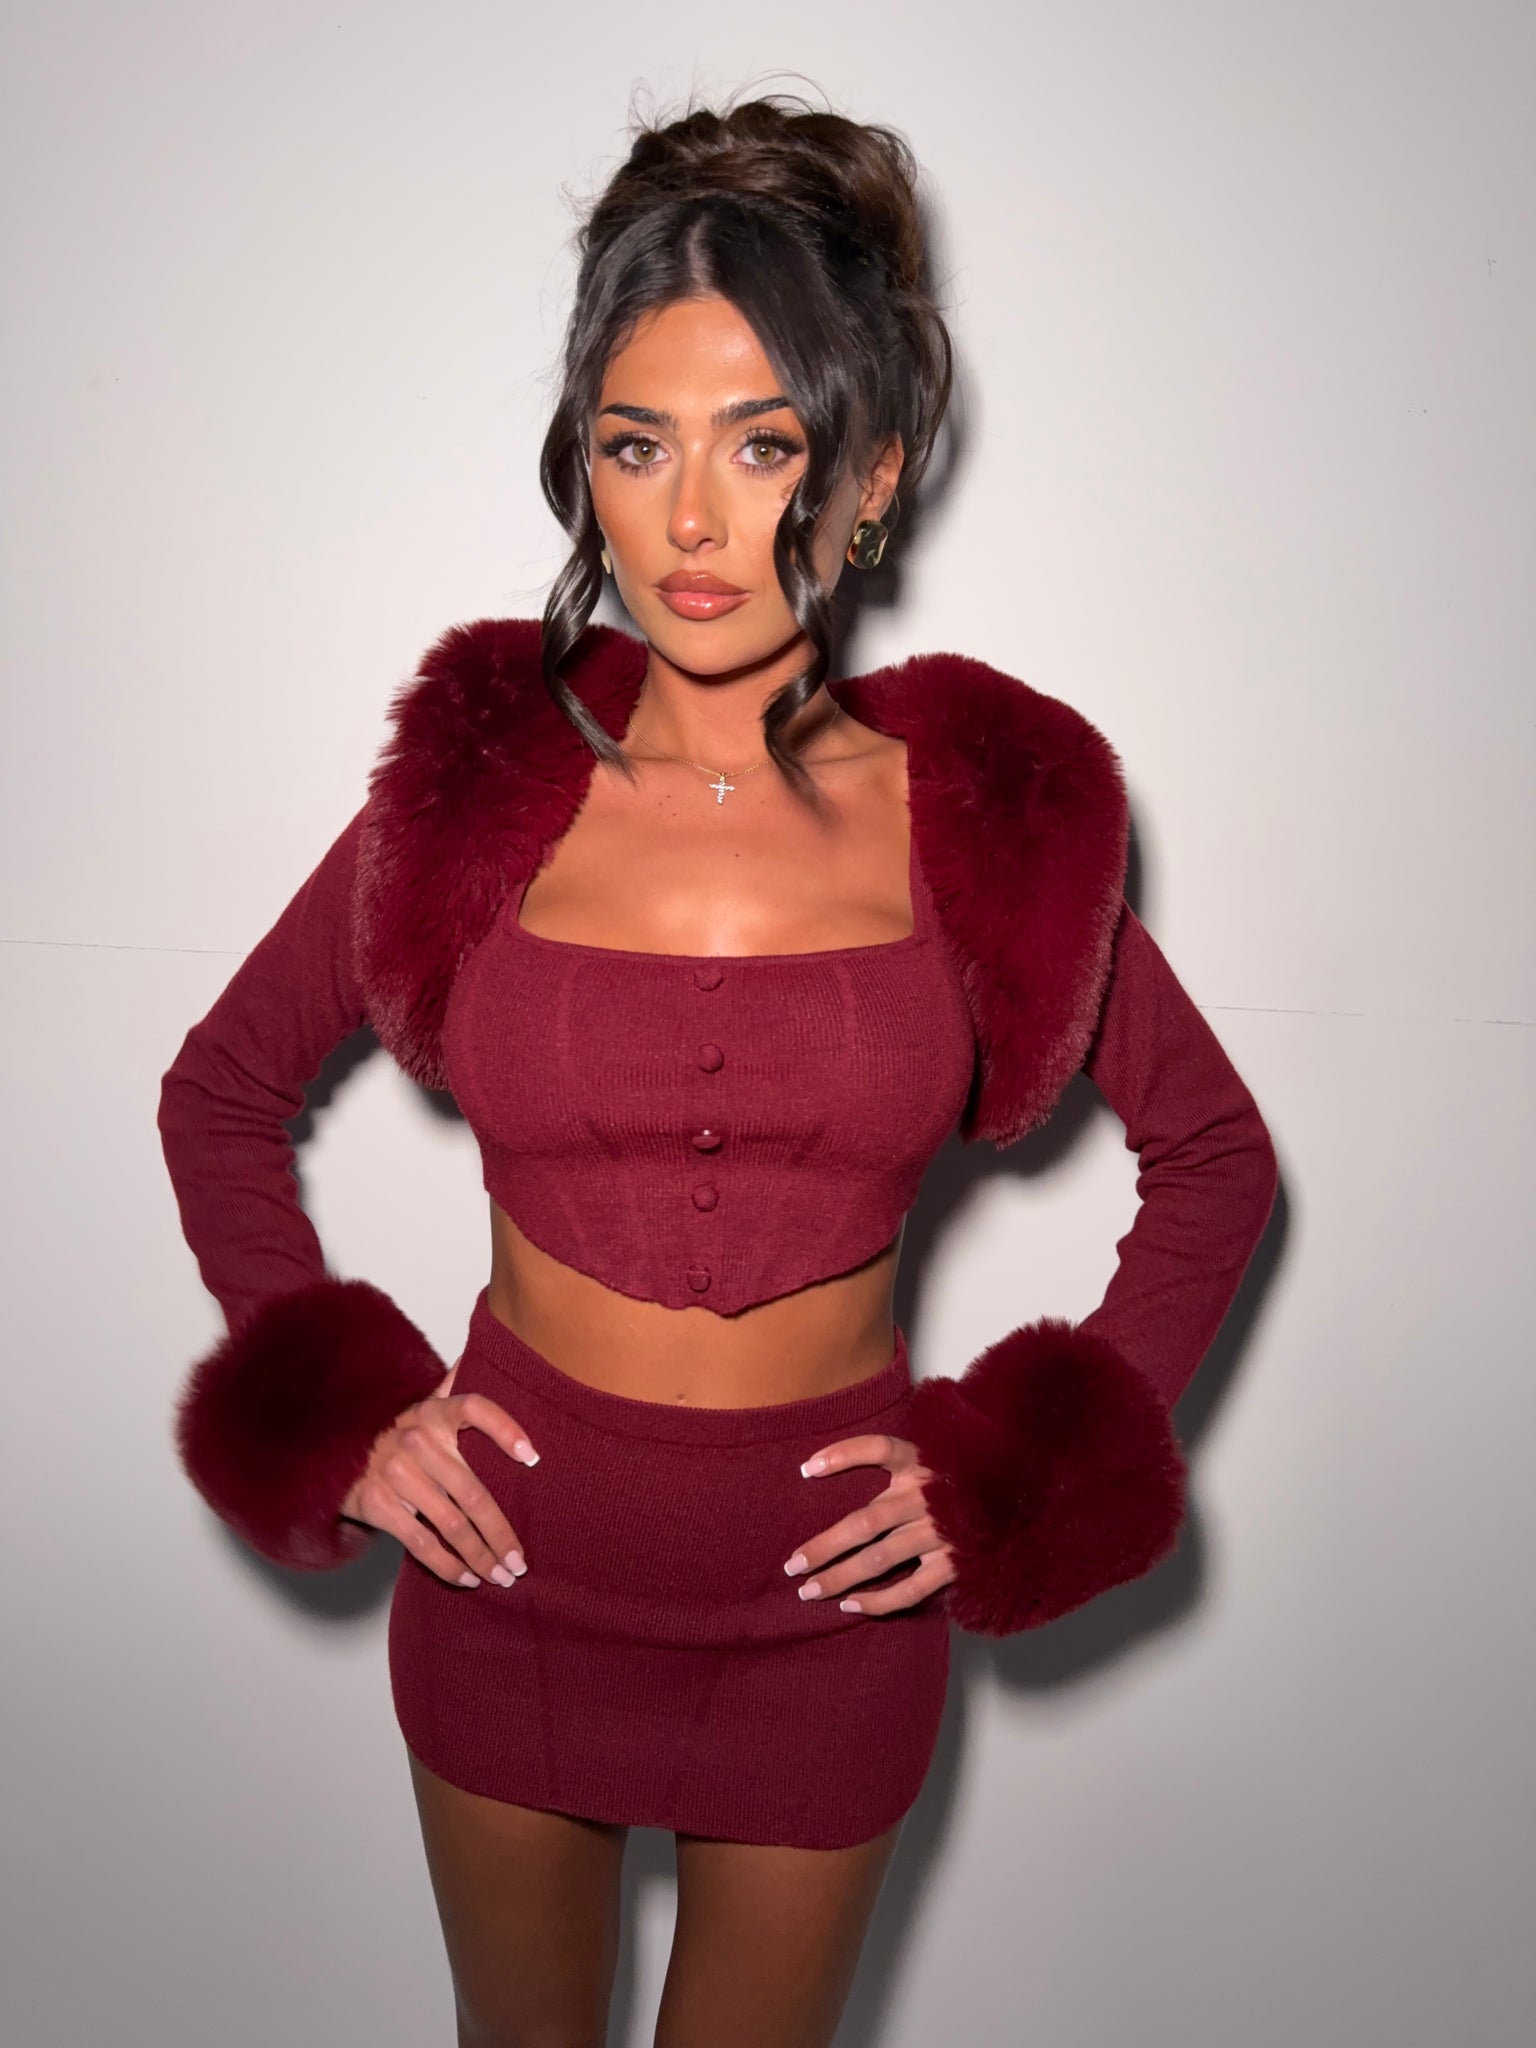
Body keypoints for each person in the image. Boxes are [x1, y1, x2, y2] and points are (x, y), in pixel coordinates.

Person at [157, 88, 1278, 2048]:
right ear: (582, 465)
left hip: (828, 1614)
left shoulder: (986, 820)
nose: (691, 520)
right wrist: (347, 1418)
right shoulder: (473, 791)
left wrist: (1015, 1483)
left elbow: (1214, 1155)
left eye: (762, 444)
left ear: (871, 473)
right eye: (636, 442)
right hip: (504, 1576)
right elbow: (220, 1093)